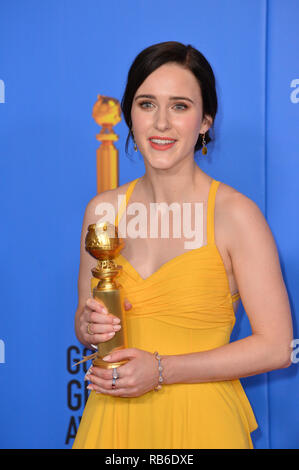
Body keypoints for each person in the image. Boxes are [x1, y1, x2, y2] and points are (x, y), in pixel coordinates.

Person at [72, 41, 293, 449]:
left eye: (179, 106)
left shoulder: (235, 216)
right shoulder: (103, 212)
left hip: (203, 423)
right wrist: (88, 326)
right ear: (129, 116)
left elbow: (278, 346)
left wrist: (160, 370)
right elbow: (85, 322)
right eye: (146, 104)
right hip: (114, 421)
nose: (161, 124)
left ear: (205, 121)